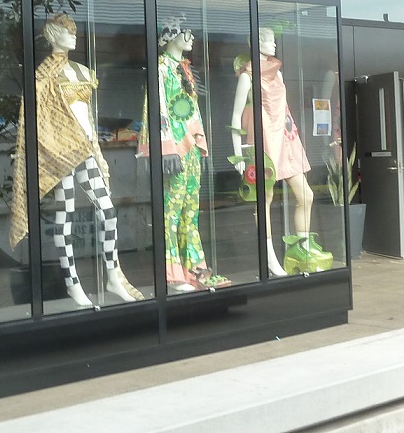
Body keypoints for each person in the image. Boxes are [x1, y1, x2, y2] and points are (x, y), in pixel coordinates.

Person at [8, 13, 143, 307]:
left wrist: (98, 151)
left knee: (107, 211)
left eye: (74, 31)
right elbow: (37, 121)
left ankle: (112, 276)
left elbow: (87, 119)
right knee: (65, 214)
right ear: (53, 35)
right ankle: (72, 282)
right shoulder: (43, 75)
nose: (74, 35)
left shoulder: (82, 71)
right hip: (60, 153)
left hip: (85, 149)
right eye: (67, 31)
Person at [139, 17, 228, 292]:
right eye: (184, 32)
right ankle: (172, 274)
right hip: (174, 150)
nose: (191, 36)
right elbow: (157, 108)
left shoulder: (184, 69)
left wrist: (201, 142)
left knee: (191, 209)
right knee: (172, 212)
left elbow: (192, 109)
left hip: (189, 149)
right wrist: (164, 148)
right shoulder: (160, 68)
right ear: (170, 36)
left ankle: (195, 269)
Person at [230, 27, 325, 275]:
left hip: (285, 137)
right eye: (269, 41)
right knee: (265, 201)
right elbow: (236, 115)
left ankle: (301, 250)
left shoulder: (277, 73)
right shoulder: (247, 76)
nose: (273, 45)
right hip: (263, 140)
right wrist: (238, 152)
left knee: (306, 196)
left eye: (274, 41)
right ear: (257, 43)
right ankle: (269, 256)